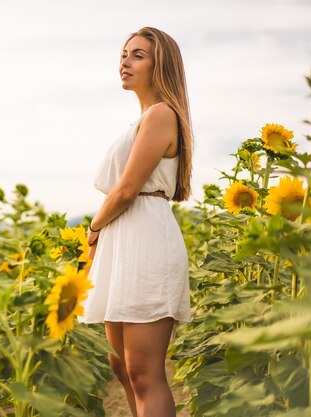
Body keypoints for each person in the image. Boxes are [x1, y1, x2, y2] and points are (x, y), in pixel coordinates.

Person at [78, 27, 192, 417]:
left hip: (144, 240)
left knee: (144, 371)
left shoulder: (161, 114)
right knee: (121, 367)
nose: (124, 61)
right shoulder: (144, 119)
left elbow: (126, 190)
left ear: (161, 65)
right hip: (123, 242)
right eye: (124, 54)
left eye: (138, 55)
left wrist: (93, 229)